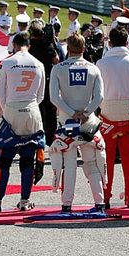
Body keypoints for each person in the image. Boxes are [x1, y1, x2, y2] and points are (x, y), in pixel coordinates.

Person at [0, 31, 46, 213]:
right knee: (28, 159)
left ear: (14, 45)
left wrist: (9, 109)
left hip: (12, 109)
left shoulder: (7, 63)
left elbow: (0, 94)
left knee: (4, 158)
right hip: (32, 110)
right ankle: (25, 200)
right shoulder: (38, 64)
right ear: (29, 45)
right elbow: (41, 95)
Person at [49, 33, 106, 214]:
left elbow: (54, 98)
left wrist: (72, 113)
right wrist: (86, 112)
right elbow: (99, 97)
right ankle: (100, 204)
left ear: (68, 49)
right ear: (84, 48)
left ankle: (66, 205)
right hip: (88, 123)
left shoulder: (58, 69)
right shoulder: (93, 68)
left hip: (67, 122)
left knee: (70, 165)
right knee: (91, 164)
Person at [96, 26, 129, 208]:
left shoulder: (101, 64)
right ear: (127, 43)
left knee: (105, 159)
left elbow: (97, 93)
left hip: (107, 114)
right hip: (128, 113)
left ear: (109, 42)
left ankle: (106, 197)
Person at [27, 23, 61, 146]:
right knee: (51, 110)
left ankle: (36, 134)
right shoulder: (47, 44)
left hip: (33, 80)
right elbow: (56, 60)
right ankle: (50, 136)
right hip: (47, 79)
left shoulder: (29, 45)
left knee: (36, 108)